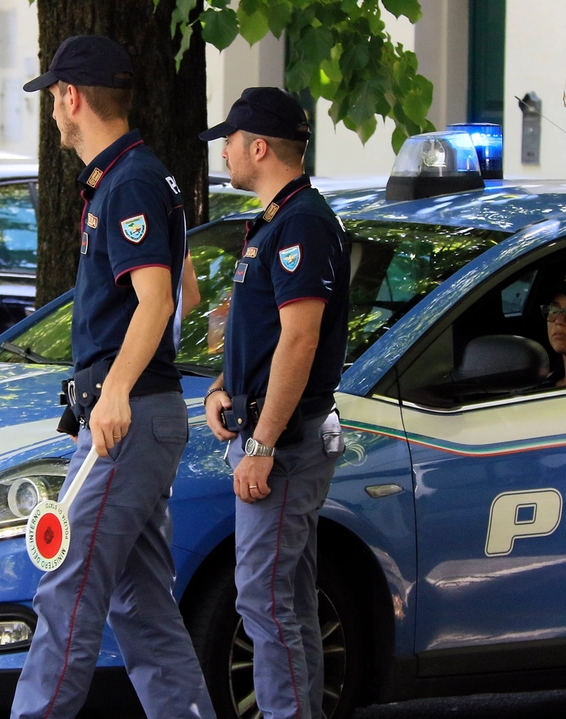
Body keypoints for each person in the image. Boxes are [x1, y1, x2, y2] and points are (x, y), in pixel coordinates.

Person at [10, 35, 215, 719]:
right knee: (140, 600)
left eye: (54, 100)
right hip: (140, 415)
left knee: (65, 586)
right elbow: (181, 286)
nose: (53, 116)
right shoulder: (146, 175)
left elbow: (158, 297)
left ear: (71, 97)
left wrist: (118, 389)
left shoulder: (127, 181)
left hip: (125, 418)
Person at [200, 87, 350, 719]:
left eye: (230, 141)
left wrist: (260, 443)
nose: (225, 152)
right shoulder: (275, 219)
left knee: (263, 599)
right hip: (267, 431)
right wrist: (218, 386)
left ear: (258, 147)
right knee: (284, 596)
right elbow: (255, 327)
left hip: (283, 443)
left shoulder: (301, 223)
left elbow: (300, 337)